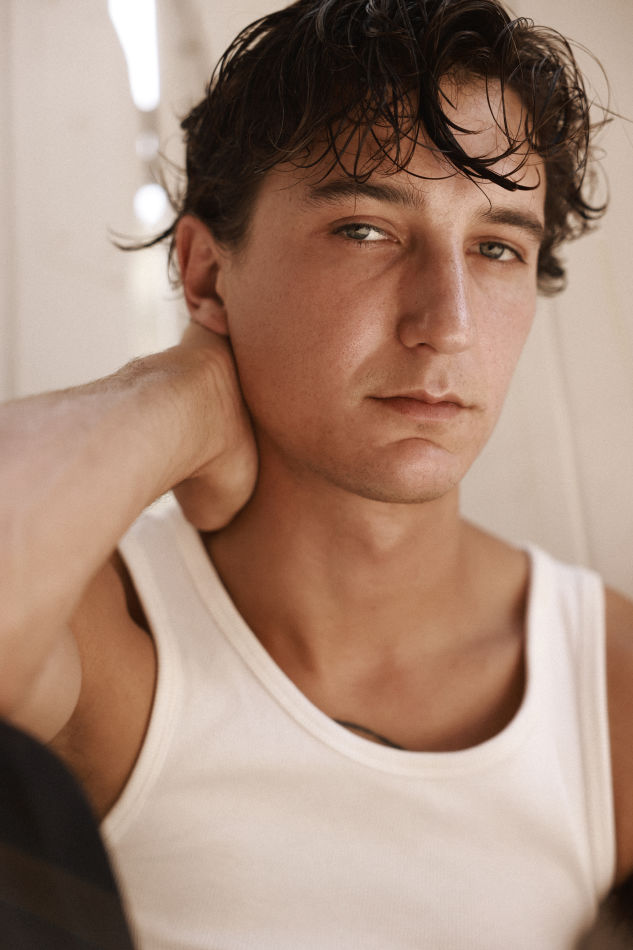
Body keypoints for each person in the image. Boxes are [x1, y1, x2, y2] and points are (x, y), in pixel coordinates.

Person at [1, 0, 632, 946]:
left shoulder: (608, 684)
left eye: (496, 247)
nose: (447, 324)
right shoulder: (115, 637)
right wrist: (176, 393)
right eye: (365, 230)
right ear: (205, 274)